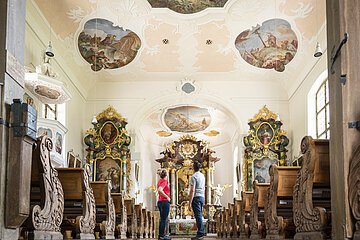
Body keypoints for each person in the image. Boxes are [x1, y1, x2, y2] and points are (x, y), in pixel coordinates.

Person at [189, 161, 206, 239]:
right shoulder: (202, 176)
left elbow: (192, 190)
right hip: (202, 197)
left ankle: (200, 233)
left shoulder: (193, 176)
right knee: (200, 215)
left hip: (196, 197)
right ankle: (201, 232)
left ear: (193, 168)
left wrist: (190, 202)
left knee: (198, 216)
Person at [157, 169, 171, 240]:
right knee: (164, 219)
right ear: (166, 175)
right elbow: (160, 190)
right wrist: (167, 197)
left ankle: (162, 235)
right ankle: (161, 236)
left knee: (162, 219)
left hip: (160, 202)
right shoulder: (165, 181)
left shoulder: (160, 181)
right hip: (164, 202)